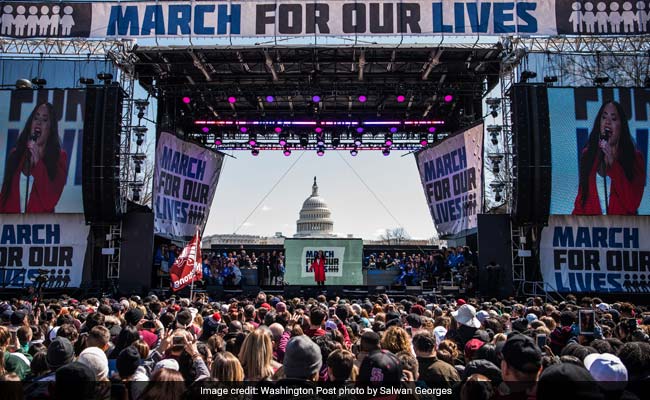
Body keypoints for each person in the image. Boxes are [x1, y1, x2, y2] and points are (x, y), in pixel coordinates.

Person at [573, 101, 645, 215]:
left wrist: (613, 163)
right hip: (593, 230)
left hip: (621, 230)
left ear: (621, 125)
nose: (607, 122)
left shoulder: (635, 159)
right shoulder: (588, 155)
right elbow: (581, 202)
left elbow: (632, 204)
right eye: (604, 117)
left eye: (613, 118)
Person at [0, 102, 68, 213]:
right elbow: (4, 196)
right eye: (36, 118)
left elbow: (50, 201)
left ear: (51, 128)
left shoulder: (59, 158)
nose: (39, 122)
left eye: (45, 120)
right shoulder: (15, 154)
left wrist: (38, 163)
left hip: (39, 227)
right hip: (11, 226)